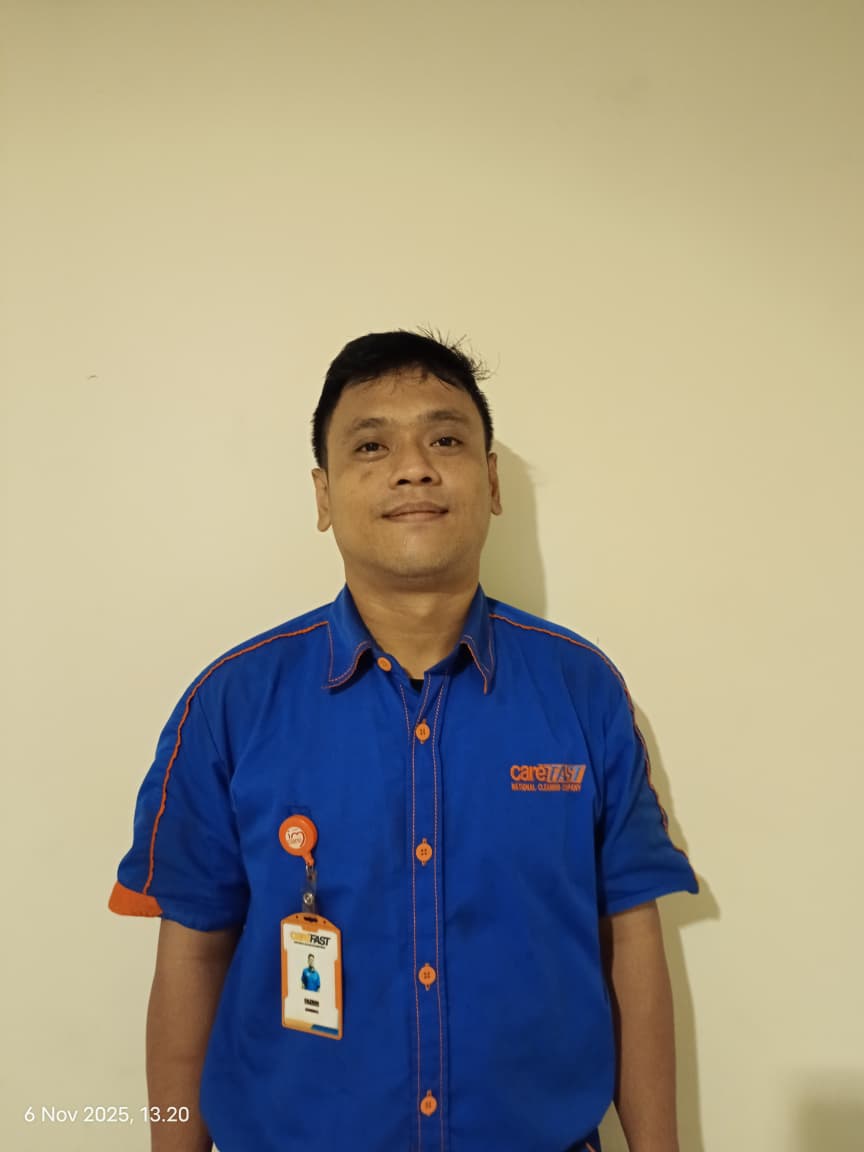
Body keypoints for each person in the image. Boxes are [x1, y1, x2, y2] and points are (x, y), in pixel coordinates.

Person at [110, 329, 698, 1152]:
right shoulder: (231, 703)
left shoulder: (583, 689)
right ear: (323, 495)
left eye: (446, 440)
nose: (413, 467)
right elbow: (192, 958)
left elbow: (630, 940)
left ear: (491, 481)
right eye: (371, 445)